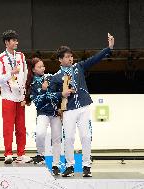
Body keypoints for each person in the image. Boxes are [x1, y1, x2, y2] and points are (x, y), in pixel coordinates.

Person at [49, 33, 115, 177]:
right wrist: (62, 95)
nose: (70, 58)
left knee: (85, 136)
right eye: (66, 56)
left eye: (71, 56)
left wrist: (108, 48)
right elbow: (51, 96)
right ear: (60, 59)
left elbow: (95, 59)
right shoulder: (55, 78)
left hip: (84, 106)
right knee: (69, 138)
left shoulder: (79, 67)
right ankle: (70, 166)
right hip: (69, 110)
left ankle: (86, 166)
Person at [25, 57, 73, 175]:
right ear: (33, 69)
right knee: (40, 133)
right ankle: (40, 155)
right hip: (42, 112)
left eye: (43, 66)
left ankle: (55, 164)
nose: (43, 68)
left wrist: (61, 106)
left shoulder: (50, 77)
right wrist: (43, 90)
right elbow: (37, 101)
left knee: (56, 138)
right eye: (39, 67)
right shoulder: (31, 84)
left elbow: (60, 91)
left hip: (56, 112)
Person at [0, 30, 32, 164]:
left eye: (16, 40)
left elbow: (26, 75)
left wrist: (25, 95)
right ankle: (8, 154)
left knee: (21, 127)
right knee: (8, 127)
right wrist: (11, 73)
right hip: (8, 97)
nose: (16, 42)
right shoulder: (0, 59)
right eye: (14, 40)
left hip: (20, 97)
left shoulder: (21, 56)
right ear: (6, 42)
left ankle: (21, 154)